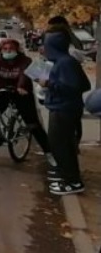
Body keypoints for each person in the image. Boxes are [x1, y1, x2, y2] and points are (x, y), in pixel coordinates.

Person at [36, 29, 91, 195]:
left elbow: (73, 87)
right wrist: (43, 74)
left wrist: (49, 84)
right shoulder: (60, 61)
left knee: (60, 146)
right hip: (62, 108)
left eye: (46, 45)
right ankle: (67, 175)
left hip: (64, 109)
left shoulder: (65, 63)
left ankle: (72, 182)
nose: (43, 48)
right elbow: (84, 84)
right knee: (64, 145)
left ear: (53, 46)